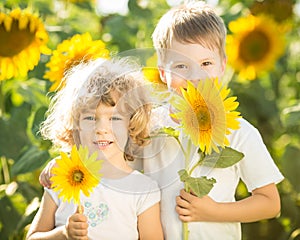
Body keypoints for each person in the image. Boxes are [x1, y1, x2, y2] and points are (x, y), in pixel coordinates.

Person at [39, 1, 284, 239]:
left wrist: (215, 211)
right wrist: (67, 164)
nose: (195, 76)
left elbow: (270, 203)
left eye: (206, 63)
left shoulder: (238, 131)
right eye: (181, 66)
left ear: (222, 66)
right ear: (163, 72)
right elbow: (108, 154)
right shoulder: (150, 124)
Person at [26, 58, 164, 240]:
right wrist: (63, 233)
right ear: (75, 125)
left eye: (114, 119)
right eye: (90, 118)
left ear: (132, 124)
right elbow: (32, 237)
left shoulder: (142, 189)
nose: (101, 128)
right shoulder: (62, 178)